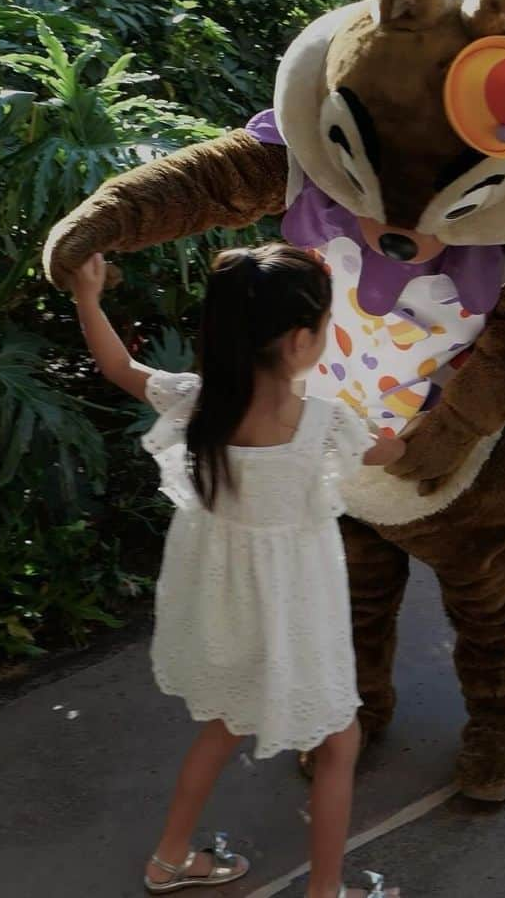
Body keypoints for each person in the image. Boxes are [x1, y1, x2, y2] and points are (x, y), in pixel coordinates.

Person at [66, 245, 402, 898]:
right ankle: (325, 891)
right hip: (296, 613)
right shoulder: (325, 422)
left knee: (224, 723)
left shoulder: (197, 402)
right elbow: (393, 449)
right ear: (303, 338)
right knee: (339, 743)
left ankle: (167, 858)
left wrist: (87, 295)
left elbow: (117, 365)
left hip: (223, 610)